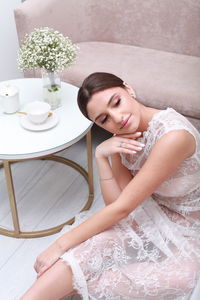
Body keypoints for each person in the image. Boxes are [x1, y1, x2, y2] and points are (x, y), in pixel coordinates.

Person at [20, 72, 200, 300]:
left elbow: (122, 208)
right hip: (153, 212)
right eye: (104, 119)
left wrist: (58, 245)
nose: (117, 118)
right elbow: (118, 205)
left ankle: (74, 285)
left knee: (178, 278)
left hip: (192, 229)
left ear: (129, 89)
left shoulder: (173, 136)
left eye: (116, 102)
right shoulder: (123, 135)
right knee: (97, 245)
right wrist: (102, 157)